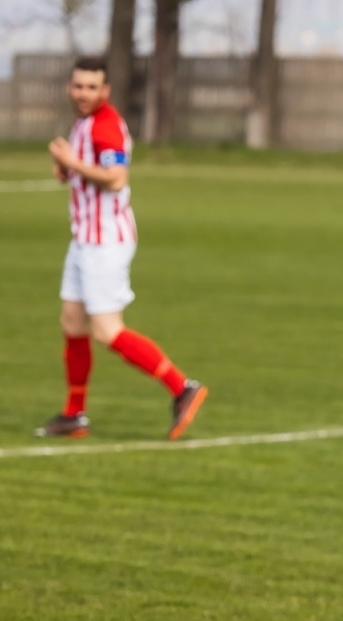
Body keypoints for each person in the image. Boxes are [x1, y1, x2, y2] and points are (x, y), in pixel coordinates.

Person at [37, 56, 207, 440]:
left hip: (106, 242)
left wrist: (71, 162)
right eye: (78, 86)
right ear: (69, 87)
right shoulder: (84, 123)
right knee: (72, 323)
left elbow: (115, 179)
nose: (84, 93)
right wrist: (67, 168)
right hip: (84, 239)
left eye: (92, 87)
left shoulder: (107, 125)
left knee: (107, 331)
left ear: (106, 90)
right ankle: (74, 415)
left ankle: (182, 388)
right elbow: (88, 173)